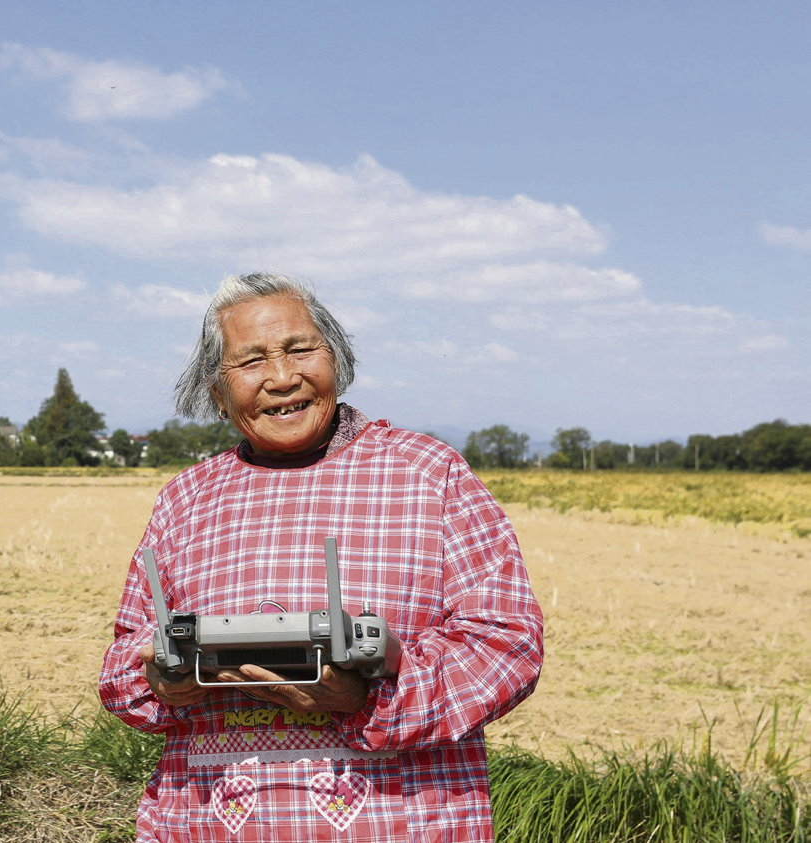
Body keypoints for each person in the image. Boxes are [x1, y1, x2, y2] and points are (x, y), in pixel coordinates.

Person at [99, 272, 543, 842]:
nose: (282, 378)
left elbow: (505, 645)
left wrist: (370, 698)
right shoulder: (186, 499)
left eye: (301, 349)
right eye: (252, 361)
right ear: (216, 390)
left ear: (338, 359)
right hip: (209, 826)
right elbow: (121, 666)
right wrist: (164, 680)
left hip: (400, 825)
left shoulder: (427, 474)